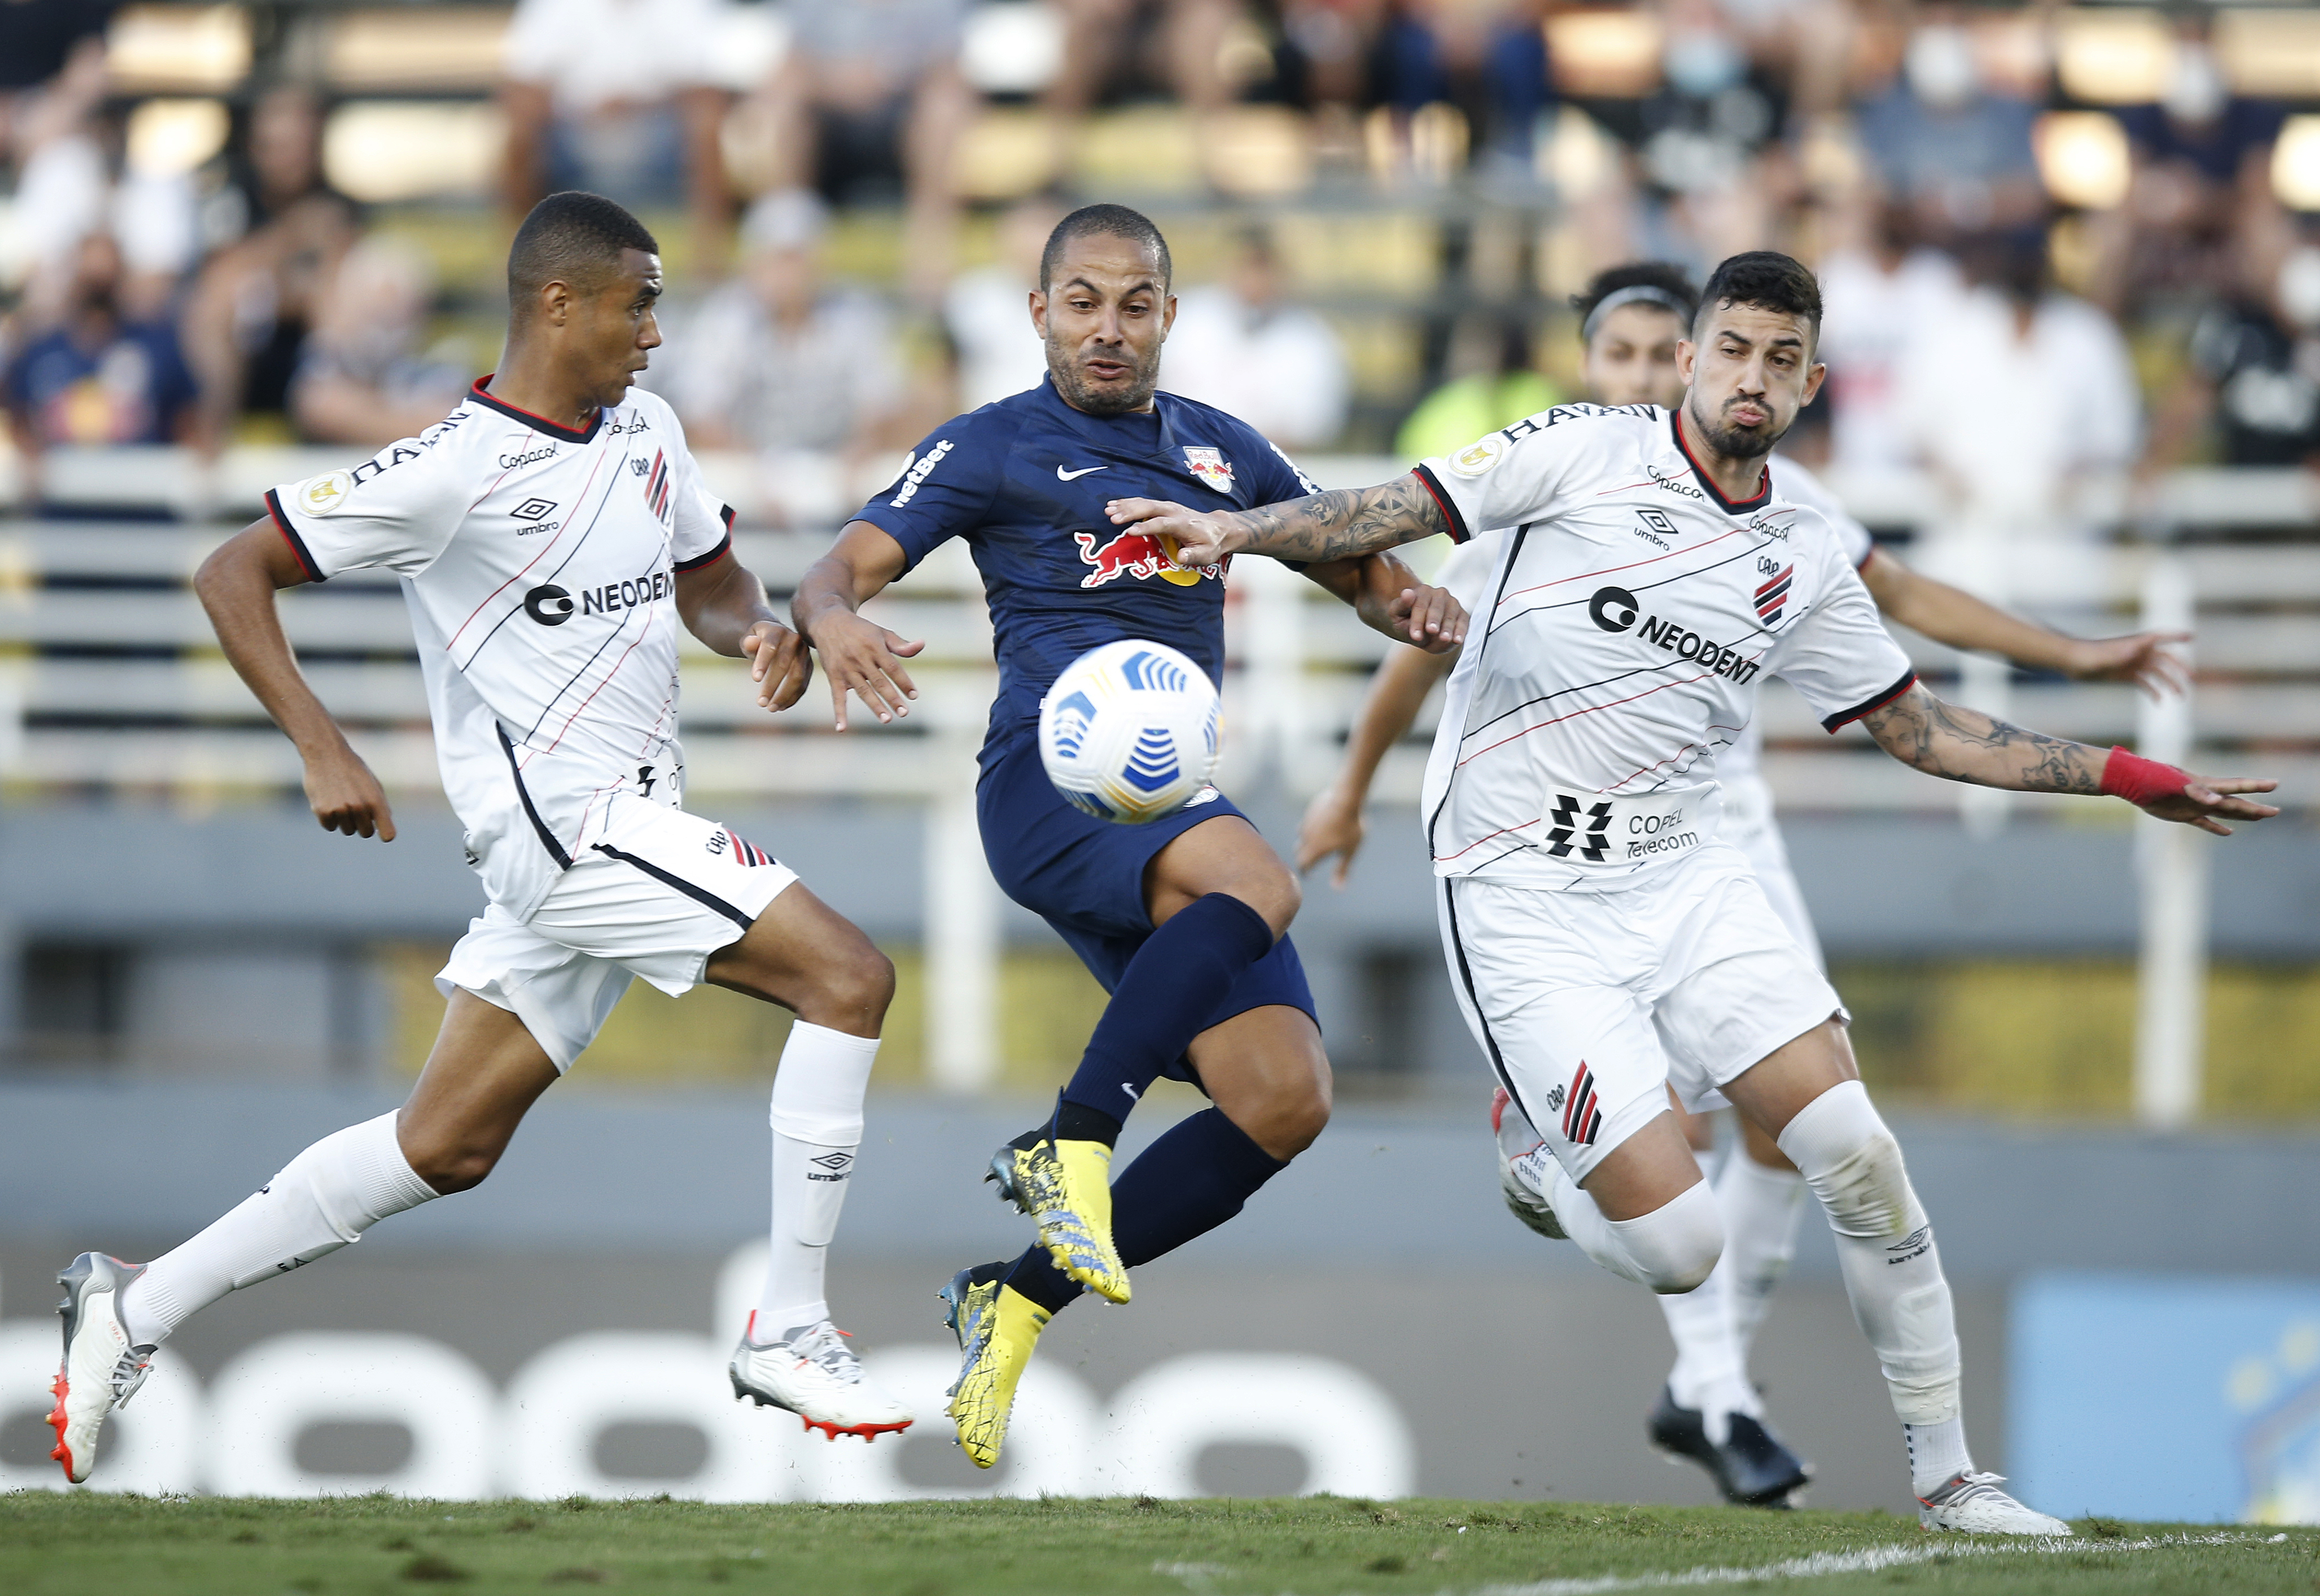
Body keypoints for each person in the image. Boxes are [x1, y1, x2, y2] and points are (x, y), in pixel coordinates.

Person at [1107, 249, 2278, 1533]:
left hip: (1686, 876)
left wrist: (2118, 771)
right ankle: (1540, 1158)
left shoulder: (1804, 547)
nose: (1751, 379)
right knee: (1681, 1248)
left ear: (1811, 385)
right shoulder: (1577, 450)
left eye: (1781, 362)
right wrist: (1230, 532)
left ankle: (1950, 1477)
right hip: (1520, 890)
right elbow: (1381, 514)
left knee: (1853, 1147)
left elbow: (1921, 729)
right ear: (1691, 357)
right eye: (1732, 350)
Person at [47, 193, 916, 1485]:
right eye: (638, 304)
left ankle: (136, 1302)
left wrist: (756, 636)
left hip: (626, 824)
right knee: (848, 977)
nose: (656, 332)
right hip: (562, 833)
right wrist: (321, 743)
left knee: (443, 1144)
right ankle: (788, 1324)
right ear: (558, 304)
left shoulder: (648, 428)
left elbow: (709, 581)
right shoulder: (452, 466)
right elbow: (233, 571)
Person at [790, 202, 1465, 1469]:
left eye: (1135, 303)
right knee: (1259, 882)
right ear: (1038, 311)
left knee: (1282, 1101)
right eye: (1083, 301)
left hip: (1163, 791)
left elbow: (1359, 572)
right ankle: (1072, 1136)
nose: (1109, 327)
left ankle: (1014, 1293)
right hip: (1050, 775)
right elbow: (839, 570)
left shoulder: (1220, 450)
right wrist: (829, 618)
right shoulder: (988, 446)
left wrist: (1411, 602)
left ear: (1168, 315)